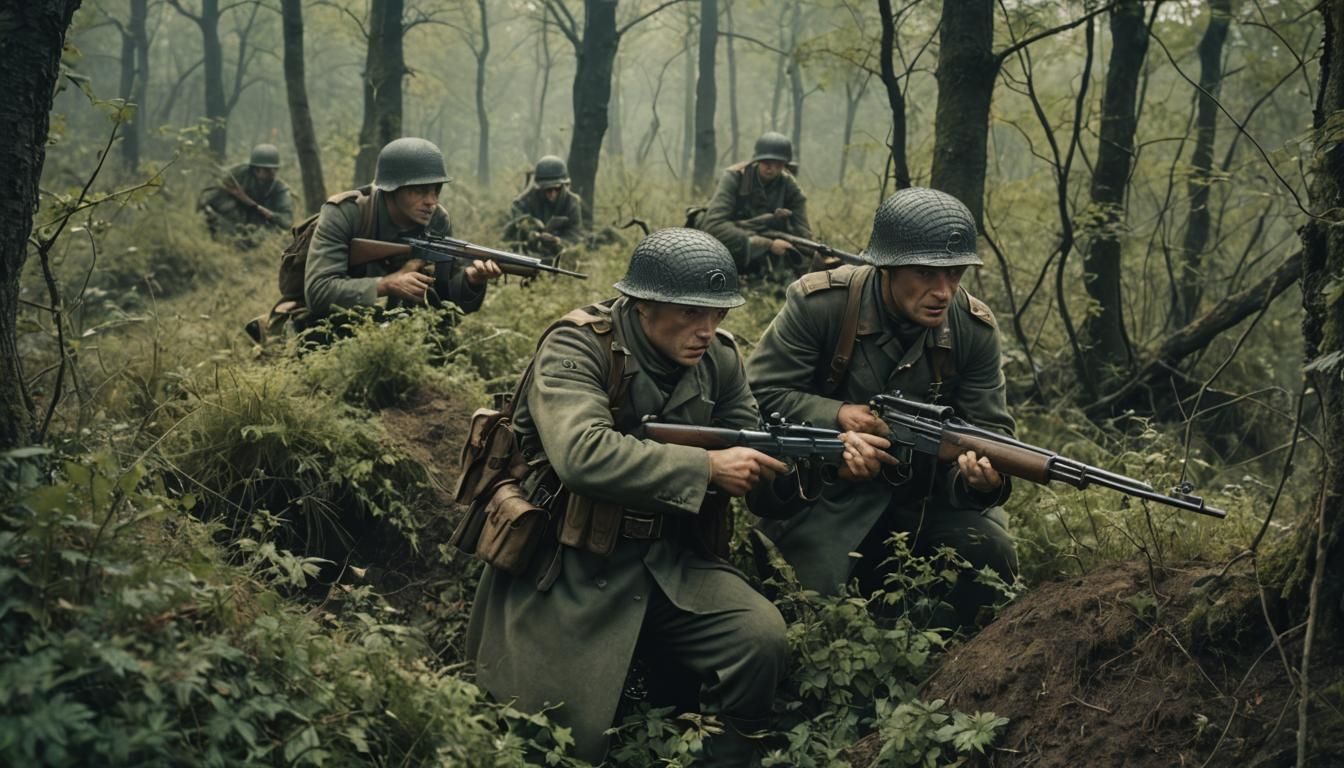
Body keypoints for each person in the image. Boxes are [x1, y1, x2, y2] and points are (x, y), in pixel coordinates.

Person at [465, 228, 888, 766]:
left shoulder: (721, 360)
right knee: (544, 736)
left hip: (670, 560)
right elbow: (581, 454)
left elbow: (758, 461)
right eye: (690, 313)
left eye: (717, 315)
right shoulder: (579, 344)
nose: (706, 329)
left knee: (757, 638)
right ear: (643, 306)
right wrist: (706, 467)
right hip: (564, 561)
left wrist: (825, 463)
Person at [746, 187, 1018, 631]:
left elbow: (992, 431)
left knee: (992, 555)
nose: (944, 291)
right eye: (926, 274)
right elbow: (760, 394)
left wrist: (980, 484)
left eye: (955, 274)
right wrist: (837, 417)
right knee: (811, 614)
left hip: (924, 499)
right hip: (827, 496)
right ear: (886, 266)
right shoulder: (821, 305)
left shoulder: (973, 328)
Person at [303, 137, 501, 323]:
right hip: (332, 324)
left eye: (436, 190)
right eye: (420, 190)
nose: (431, 201)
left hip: (398, 326)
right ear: (392, 188)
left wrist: (471, 280)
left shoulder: (438, 220)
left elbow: (443, 301)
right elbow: (318, 292)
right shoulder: (346, 213)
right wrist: (387, 284)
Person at [699, 131, 812, 278]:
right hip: (732, 240)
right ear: (757, 160)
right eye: (766, 162)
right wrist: (768, 244)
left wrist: (812, 252)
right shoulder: (734, 177)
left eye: (778, 164)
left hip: (764, 242)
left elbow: (802, 229)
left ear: (785, 165)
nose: (772, 168)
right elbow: (714, 225)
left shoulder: (789, 186)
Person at [198, 143, 295, 247]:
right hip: (237, 222)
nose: (271, 173)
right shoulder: (241, 174)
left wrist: (255, 206)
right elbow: (210, 191)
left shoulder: (280, 189)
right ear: (255, 169)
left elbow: (287, 221)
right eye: (266, 170)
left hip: (262, 228)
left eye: (274, 169)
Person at [502, 154, 584, 258]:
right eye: (548, 189)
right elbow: (512, 232)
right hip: (528, 253)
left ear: (564, 186)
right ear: (539, 187)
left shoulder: (572, 202)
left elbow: (575, 234)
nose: (552, 193)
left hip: (561, 254)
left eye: (557, 188)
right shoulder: (523, 202)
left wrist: (558, 241)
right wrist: (532, 235)